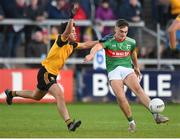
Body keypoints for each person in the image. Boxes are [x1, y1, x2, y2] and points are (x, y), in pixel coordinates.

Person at [4, 15, 99, 132]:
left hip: (50, 74)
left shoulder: (71, 45)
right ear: (67, 32)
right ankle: (69, 124)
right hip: (46, 73)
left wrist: (100, 41)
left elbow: (85, 45)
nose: (75, 33)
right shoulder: (61, 41)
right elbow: (67, 31)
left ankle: (11, 93)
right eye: (72, 31)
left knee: (36, 96)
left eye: (75, 31)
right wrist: (71, 17)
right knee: (59, 94)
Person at [84, 19, 169, 132]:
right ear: (115, 29)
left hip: (127, 69)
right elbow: (96, 47)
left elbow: (133, 53)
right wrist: (91, 55)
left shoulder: (131, 42)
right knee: (120, 96)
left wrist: (136, 66)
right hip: (113, 71)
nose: (123, 34)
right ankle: (131, 122)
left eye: (125, 32)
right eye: (121, 32)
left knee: (138, 89)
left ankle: (156, 116)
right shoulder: (109, 40)